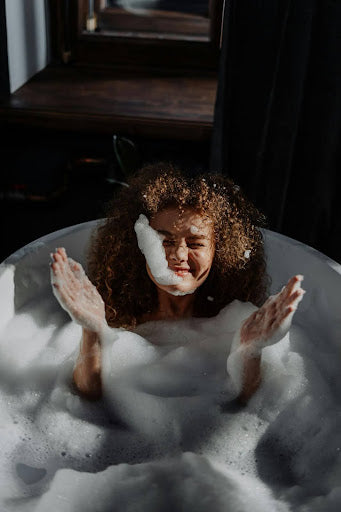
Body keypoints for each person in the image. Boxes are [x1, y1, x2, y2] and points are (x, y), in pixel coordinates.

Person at [50, 163, 305, 404]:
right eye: (165, 241)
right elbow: (90, 399)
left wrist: (250, 351)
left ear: (221, 252)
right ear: (138, 247)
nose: (179, 255)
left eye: (195, 244)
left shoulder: (236, 323)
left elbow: (244, 406)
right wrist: (92, 330)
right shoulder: (118, 319)